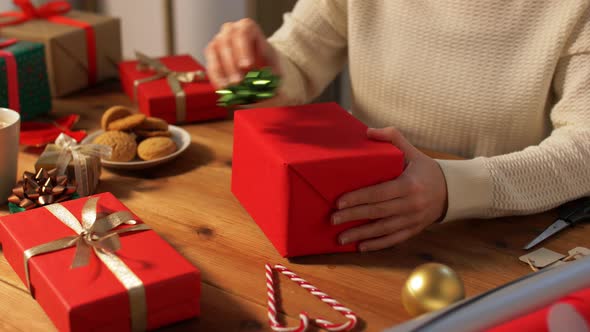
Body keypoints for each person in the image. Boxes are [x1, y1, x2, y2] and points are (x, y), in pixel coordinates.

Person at [205, 1, 590, 252]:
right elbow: (295, 66)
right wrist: (252, 78)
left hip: (493, 239)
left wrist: (451, 187)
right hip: (358, 218)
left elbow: (585, 144)